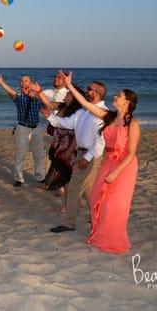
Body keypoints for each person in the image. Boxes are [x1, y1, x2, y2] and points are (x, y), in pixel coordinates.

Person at [62, 72, 140, 253]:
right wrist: (70, 85)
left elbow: (131, 153)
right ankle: (100, 233)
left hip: (125, 166)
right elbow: (86, 104)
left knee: (116, 203)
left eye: (119, 96)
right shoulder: (109, 117)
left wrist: (116, 172)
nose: (115, 96)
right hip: (108, 162)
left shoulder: (133, 123)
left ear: (127, 102)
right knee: (98, 197)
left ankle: (113, 238)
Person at [42, 79, 107, 233]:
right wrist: (49, 117)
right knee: (86, 189)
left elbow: (100, 141)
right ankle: (95, 216)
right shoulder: (82, 112)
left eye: (90, 89)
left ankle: (71, 223)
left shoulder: (103, 113)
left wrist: (87, 157)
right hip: (81, 153)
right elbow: (66, 123)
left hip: (91, 155)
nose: (87, 90)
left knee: (74, 189)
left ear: (97, 93)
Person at [0, 74, 46, 187]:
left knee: (39, 154)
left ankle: (40, 177)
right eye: (22, 81)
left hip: (36, 128)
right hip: (23, 127)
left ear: (31, 83)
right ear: (20, 84)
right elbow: (11, 92)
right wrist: (2, 83)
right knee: (20, 154)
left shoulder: (38, 97)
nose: (24, 83)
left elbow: (47, 104)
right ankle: (19, 178)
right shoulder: (19, 97)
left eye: (26, 81)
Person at [42, 88, 85, 212]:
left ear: (74, 97)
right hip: (59, 143)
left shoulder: (77, 111)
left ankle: (68, 205)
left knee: (67, 176)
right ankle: (72, 202)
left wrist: (70, 149)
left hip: (68, 145)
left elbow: (77, 132)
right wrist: (39, 91)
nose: (65, 94)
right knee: (65, 176)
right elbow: (48, 103)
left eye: (68, 94)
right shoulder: (62, 106)